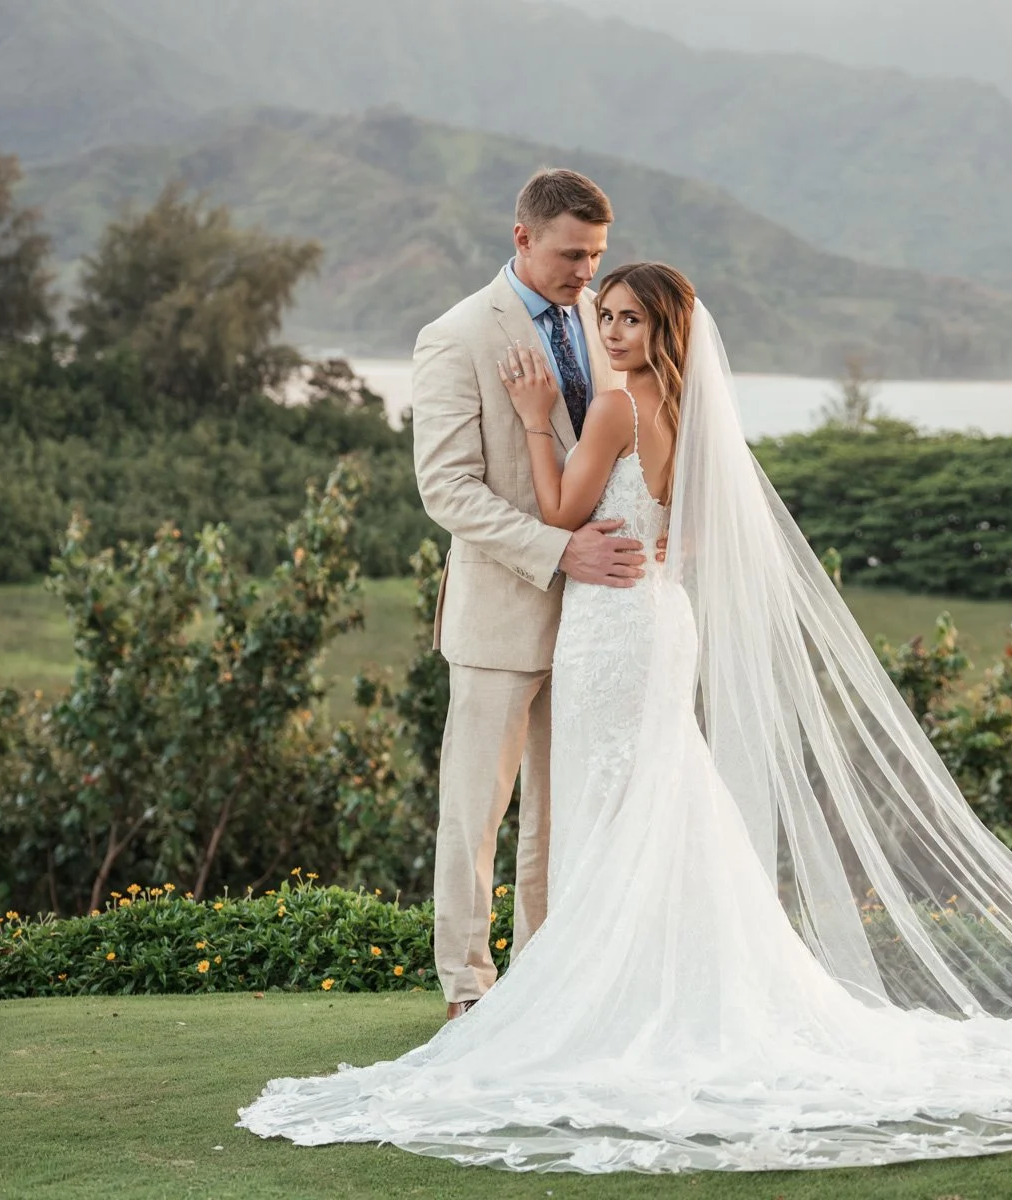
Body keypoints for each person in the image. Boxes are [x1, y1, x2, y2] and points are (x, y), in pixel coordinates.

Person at [239, 263, 1012, 1173]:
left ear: (657, 331)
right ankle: (623, 981)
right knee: (654, 798)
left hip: (616, 624)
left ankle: (594, 996)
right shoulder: (685, 416)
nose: (605, 327)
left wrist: (544, 412)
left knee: (619, 803)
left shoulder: (610, 409)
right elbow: (663, 531)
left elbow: (559, 505)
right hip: (657, 618)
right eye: (599, 312)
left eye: (623, 317)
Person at [407, 168, 635, 1020]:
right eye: (572, 255)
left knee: (554, 814)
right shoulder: (456, 336)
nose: (587, 273)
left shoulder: (595, 322)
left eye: (597, 255)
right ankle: (468, 994)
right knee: (475, 819)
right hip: (501, 618)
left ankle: (539, 987)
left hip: (593, 622)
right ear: (522, 240)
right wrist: (559, 552)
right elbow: (448, 490)